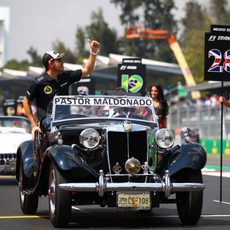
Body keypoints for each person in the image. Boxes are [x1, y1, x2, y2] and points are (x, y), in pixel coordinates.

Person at [23, 39, 100, 139]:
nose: (62, 62)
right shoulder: (38, 82)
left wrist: (93, 52)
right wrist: (34, 126)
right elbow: (26, 102)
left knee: (90, 125)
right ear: (51, 63)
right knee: (56, 130)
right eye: (59, 60)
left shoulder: (66, 76)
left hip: (65, 119)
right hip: (47, 120)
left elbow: (87, 70)